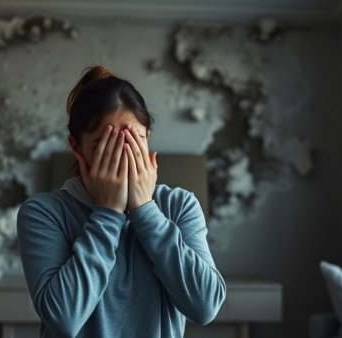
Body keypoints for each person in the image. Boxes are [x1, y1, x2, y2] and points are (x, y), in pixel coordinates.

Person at [17, 66, 226, 338]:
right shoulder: (45, 212)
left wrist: (145, 210)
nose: (121, 156)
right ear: (76, 147)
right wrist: (108, 212)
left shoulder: (179, 205)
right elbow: (63, 319)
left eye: (131, 142)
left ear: (147, 139)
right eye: (105, 146)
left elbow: (206, 307)